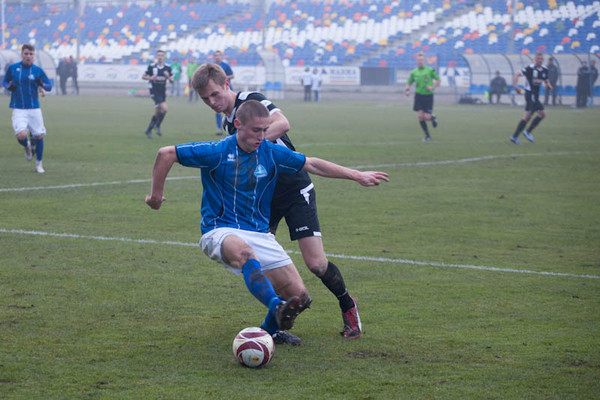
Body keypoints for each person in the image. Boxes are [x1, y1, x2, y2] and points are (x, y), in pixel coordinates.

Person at [145, 100, 389, 345]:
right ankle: (275, 305)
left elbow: (311, 163)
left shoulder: (270, 152)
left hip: (259, 234)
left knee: (299, 297)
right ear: (237, 124)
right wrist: (155, 196)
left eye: (264, 130)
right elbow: (167, 153)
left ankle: (265, 333)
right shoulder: (216, 151)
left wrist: (357, 175)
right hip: (220, 230)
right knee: (245, 253)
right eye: (256, 130)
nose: (261, 136)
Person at [191, 63, 374, 341]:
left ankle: (347, 305)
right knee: (260, 261)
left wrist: (255, 142)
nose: (212, 102)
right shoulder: (231, 123)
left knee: (316, 264)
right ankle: (274, 327)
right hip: (264, 197)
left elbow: (282, 123)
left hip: (295, 188)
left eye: (215, 94)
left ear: (227, 83)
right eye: (205, 99)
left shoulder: (250, 101)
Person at [2, 44, 52, 173]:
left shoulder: (38, 70)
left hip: (34, 108)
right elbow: (4, 81)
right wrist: (8, 86)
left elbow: (49, 86)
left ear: (33, 55)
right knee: (21, 135)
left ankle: (39, 164)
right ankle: (27, 146)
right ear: (22, 54)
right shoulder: (13, 68)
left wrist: (42, 85)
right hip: (19, 108)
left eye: (31, 54)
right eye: (26, 54)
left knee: (39, 136)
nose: (28, 56)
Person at [510, 52, 552, 145]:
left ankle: (515, 136)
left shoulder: (545, 69)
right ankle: (528, 132)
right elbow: (516, 75)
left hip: (535, 95)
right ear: (535, 59)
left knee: (527, 117)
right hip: (530, 95)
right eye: (538, 59)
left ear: (543, 60)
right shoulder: (530, 68)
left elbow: (546, 79)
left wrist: (549, 85)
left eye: (541, 59)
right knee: (543, 113)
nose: (539, 60)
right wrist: (516, 87)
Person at [405, 52, 440, 142]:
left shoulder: (430, 70)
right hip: (419, 96)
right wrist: (407, 90)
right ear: (416, 61)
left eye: (421, 60)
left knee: (427, 117)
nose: (420, 61)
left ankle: (433, 117)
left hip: (428, 96)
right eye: (418, 60)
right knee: (420, 116)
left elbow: (438, 80)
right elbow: (409, 83)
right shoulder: (414, 72)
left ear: (424, 61)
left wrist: (432, 87)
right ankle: (427, 136)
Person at [142, 50, 173, 138]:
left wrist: (168, 77)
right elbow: (143, 76)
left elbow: (172, 81)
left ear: (164, 57)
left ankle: (149, 130)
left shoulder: (167, 67)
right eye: (158, 55)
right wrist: (150, 78)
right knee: (165, 108)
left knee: (157, 112)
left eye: (162, 55)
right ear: (156, 57)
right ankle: (157, 125)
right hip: (154, 91)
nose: (160, 57)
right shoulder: (152, 66)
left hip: (162, 91)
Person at [213, 50, 234, 135]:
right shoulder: (213, 67)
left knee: (230, 110)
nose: (217, 57)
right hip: (217, 92)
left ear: (221, 57)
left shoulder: (225, 65)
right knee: (217, 110)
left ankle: (232, 128)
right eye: (215, 55)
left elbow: (232, 75)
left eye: (218, 55)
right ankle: (220, 129)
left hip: (227, 91)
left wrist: (224, 77)